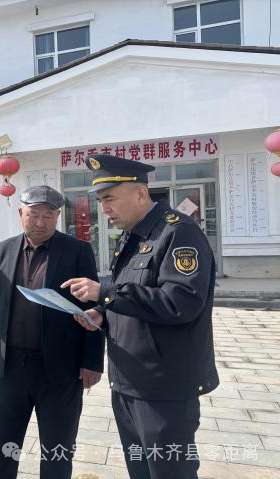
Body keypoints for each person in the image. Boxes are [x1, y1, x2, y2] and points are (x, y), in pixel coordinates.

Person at [64, 154, 219, 479]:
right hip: (128, 382)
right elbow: (135, 295)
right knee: (141, 470)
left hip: (163, 388)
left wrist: (105, 293)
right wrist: (102, 314)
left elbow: (180, 303)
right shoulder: (133, 235)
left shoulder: (178, 233)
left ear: (140, 193)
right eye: (100, 200)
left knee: (169, 472)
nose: (104, 209)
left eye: (109, 198)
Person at [0, 185, 105, 479]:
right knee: (4, 442)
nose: (40, 222)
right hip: (12, 367)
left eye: (48, 216)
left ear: (58, 216)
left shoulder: (77, 251)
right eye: (33, 215)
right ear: (20, 213)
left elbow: (93, 307)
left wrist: (92, 361)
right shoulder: (2, 250)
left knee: (57, 445)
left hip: (61, 369)